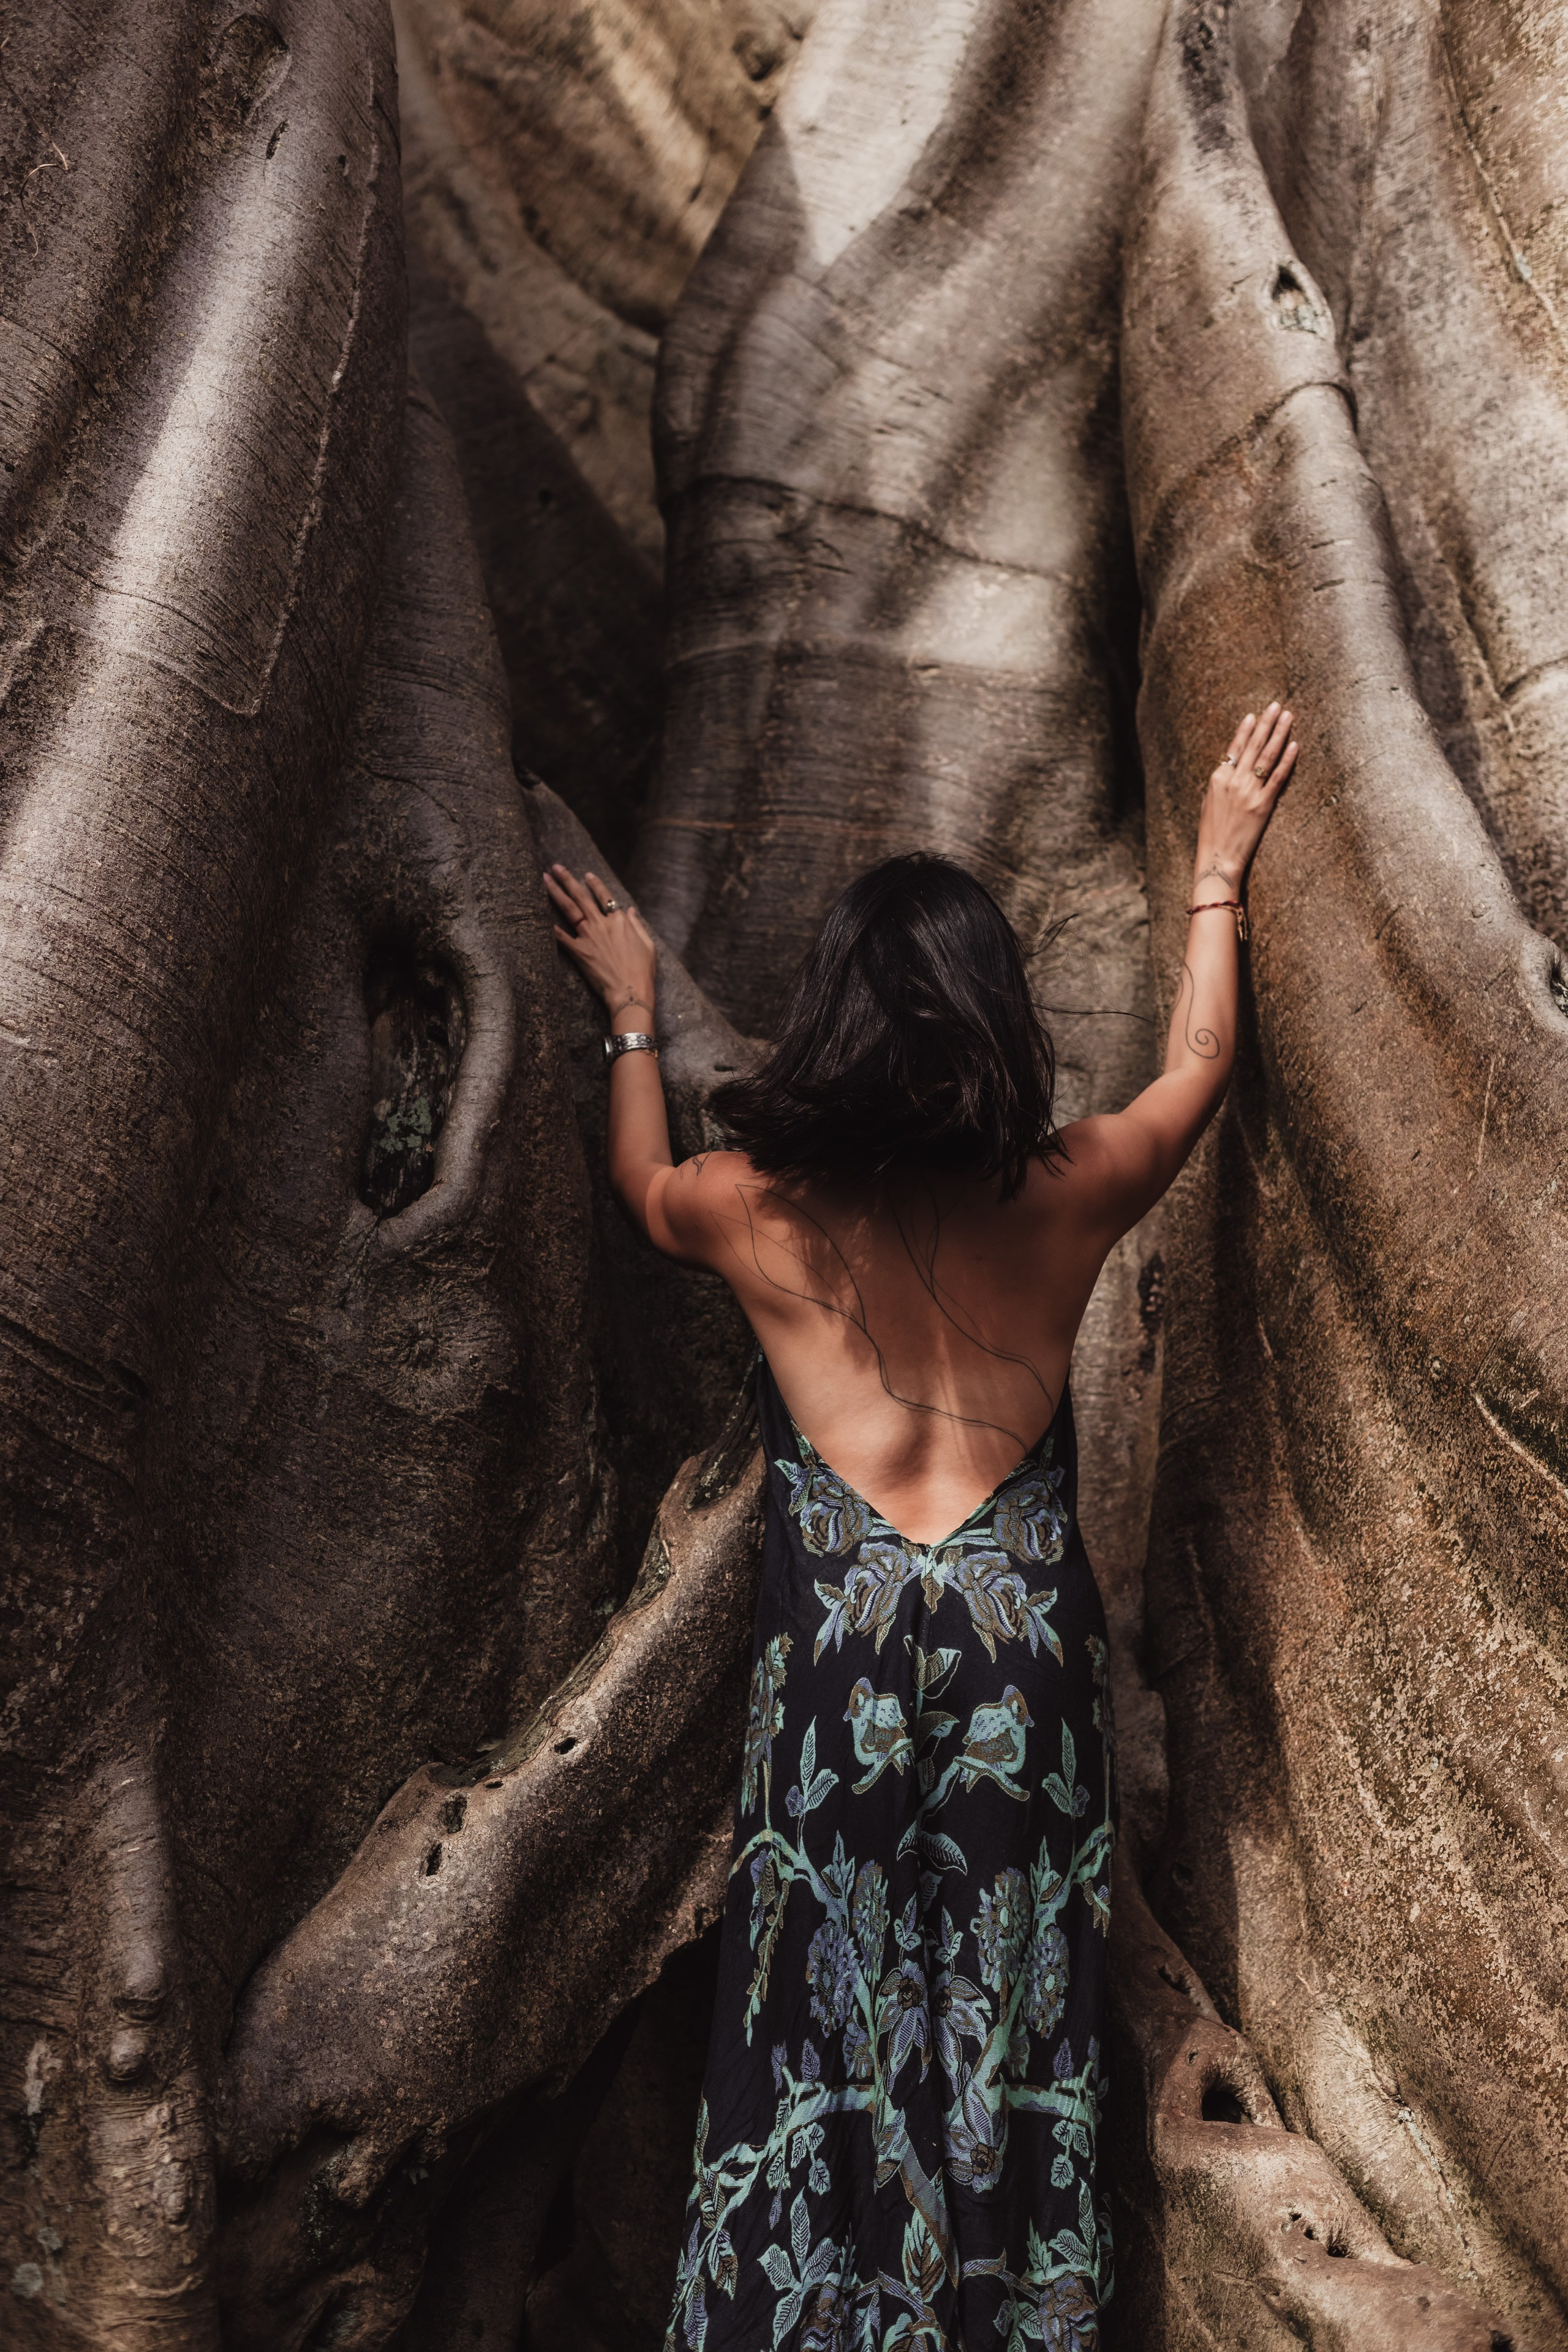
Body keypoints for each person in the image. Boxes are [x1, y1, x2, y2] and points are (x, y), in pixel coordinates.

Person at [544, 703, 1296, 2352]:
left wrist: (630, 1014)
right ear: (988, 1018)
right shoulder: (1070, 1188)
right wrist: (1222, 866)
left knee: (816, 2018)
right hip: (1026, 1677)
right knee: (1018, 2020)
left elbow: (642, 1183)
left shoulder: (756, 1213)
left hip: (840, 1682)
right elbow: (1203, 1071)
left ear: (831, 1024)